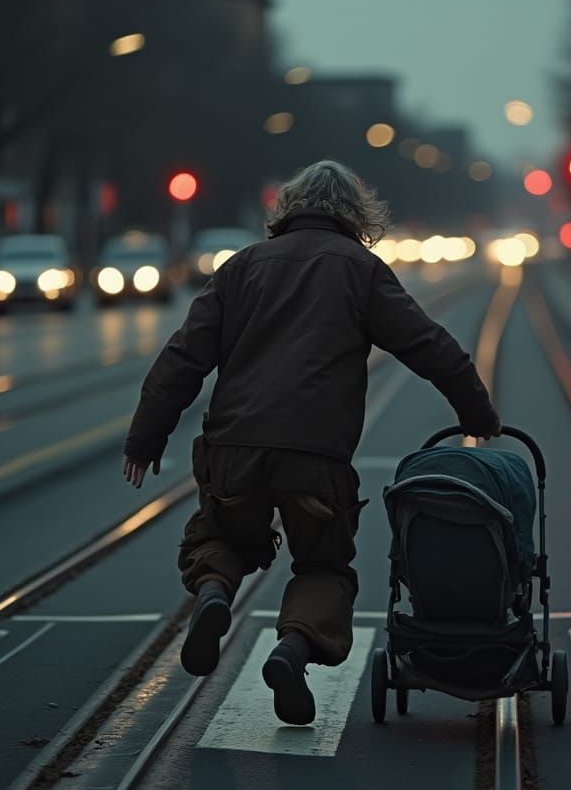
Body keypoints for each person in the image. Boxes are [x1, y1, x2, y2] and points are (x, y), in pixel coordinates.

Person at [122, 159, 501, 725]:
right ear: (357, 214)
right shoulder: (361, 269)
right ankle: (291, 651)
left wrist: (145, 438)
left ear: (286, 207)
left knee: (221, 533)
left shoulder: (242, 266)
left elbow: (184, 357)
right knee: (324, 566)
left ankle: (213, 595)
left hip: (235, 448)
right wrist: (476, 411)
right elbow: (427, 345)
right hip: (316, 458)